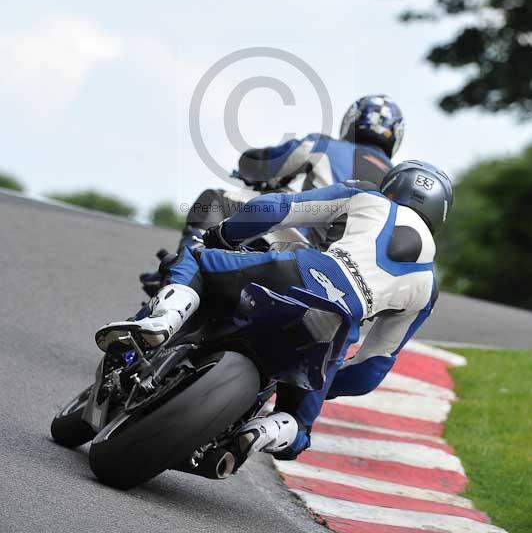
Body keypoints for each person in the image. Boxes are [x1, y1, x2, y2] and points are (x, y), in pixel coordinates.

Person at [97, 159, 452, 464]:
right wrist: (321, 383)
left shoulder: (368, 199)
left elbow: (277, 208)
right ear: (441, 214)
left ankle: (164, 319)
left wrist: (225, 235)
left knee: (196, 257)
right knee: (299, 430)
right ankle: (266, 430)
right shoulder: (427, 287)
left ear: (391, 186)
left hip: (294, 273)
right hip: (332, 331)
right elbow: (370, 370)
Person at [140, 94, 404, 296]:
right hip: (348, 280)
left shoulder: (324, 146)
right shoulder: (398, 183)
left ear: (352, 120)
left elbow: (267, 165)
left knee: (216, 197)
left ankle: (178, 276)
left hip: (299, 244)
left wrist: (252, 164)